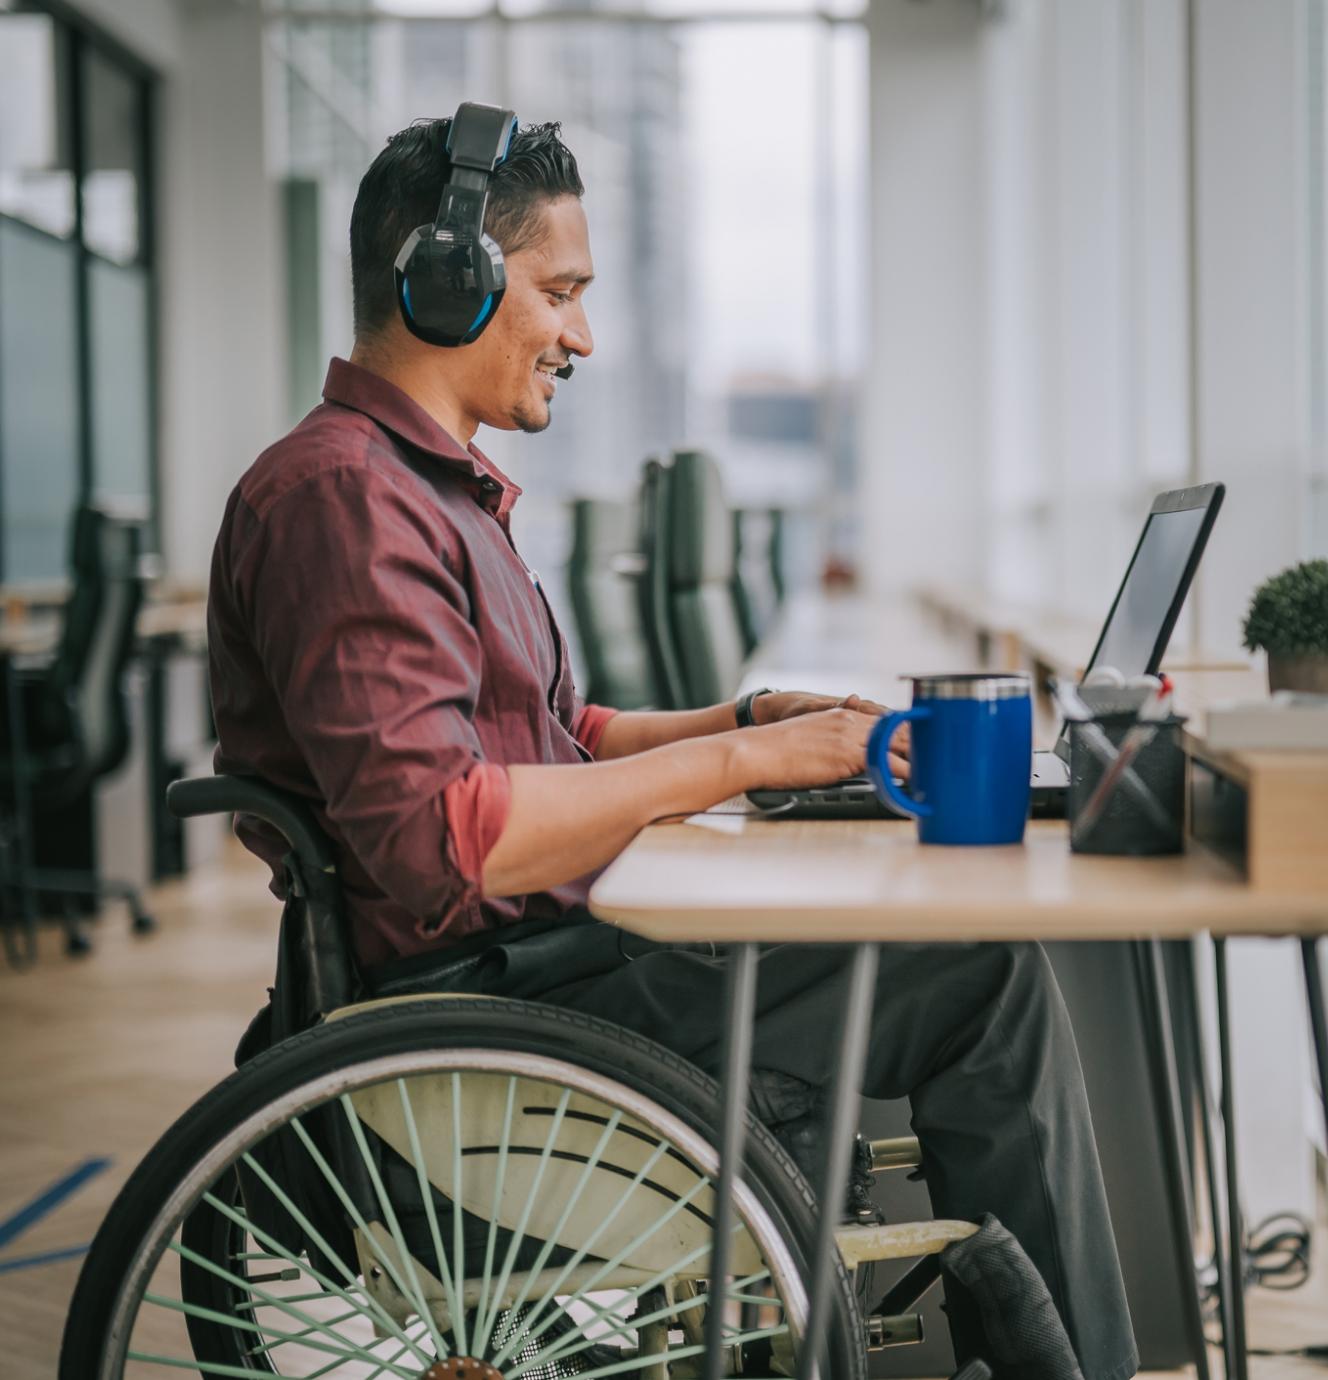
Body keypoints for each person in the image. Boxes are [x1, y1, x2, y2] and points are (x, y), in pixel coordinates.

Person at [205, 114, 1137, 1379]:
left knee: (957, 957)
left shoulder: (426, 488)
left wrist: (753, 725)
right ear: (448, 280)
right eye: (560, 293)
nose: (582, 337)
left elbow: (556, 736)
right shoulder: (344, 498)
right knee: (977, 972)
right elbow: (443, 841)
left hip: (547, 964)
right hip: (488, 1012)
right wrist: (742, 770)